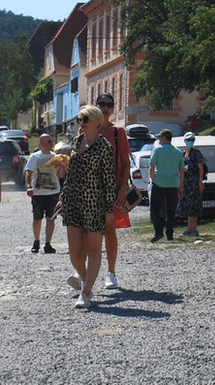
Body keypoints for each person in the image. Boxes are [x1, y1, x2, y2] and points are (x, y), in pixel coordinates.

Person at [54, 105, 115, 309]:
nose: (82, 122)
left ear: (96, 121)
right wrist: (62, 198)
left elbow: (109, 179)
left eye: (86, 119)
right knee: (74, 252)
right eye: (80, 119)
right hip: (73, 202)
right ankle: (83, 277)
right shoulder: (76, 142)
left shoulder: (104, 146)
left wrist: (109, 208)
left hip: (94, 203)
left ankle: (86, 292)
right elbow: (70, 174)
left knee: (93, 248)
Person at [94, 92, 131, 289]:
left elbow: (125, 163)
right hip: (91, 189)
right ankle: (85, 272)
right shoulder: (88, 130)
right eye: (101, 104)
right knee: (88, 232)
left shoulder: (118, 132)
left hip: (113, 189)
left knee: (109, 232)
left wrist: (123, 188)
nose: (105, 107)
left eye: (108, 104)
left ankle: (111, 272)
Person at [24, 134, 62, 254]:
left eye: (51, 141)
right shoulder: (35, 157)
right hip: (38, 192)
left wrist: (63, 165)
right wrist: (29, 187)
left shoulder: (56, 157)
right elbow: (28, 173)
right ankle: (36, 241)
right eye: (49, 141)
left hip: (53, 192)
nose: (51, 143)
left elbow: (60, 175)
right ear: (42, 144)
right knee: (37, 219)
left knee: (51, 219)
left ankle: (48, 243)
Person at [148, 128, 185, 243]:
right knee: (171, 209)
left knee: (155, 208)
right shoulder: (178, 151)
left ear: (164, 138)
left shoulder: (158, 150)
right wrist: (180, 186)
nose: (159, 139)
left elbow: (151, 167)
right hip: (173, 183)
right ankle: (170, 233)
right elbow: (182, 170)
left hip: (160, 182)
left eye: (160, 137)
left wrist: (153, 180)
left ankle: (158, 231)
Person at [176, 132, 207, 237]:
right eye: (189, 139)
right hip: (186, 184)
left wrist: (200, 181)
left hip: (194, 183)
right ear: (185, 141)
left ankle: (194, 229)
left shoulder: (196, 153)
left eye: (192, 140)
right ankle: (190, 229)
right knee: (188, 206)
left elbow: (201, 168)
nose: (190, 141)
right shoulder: (183, 154)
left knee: (194, 206)